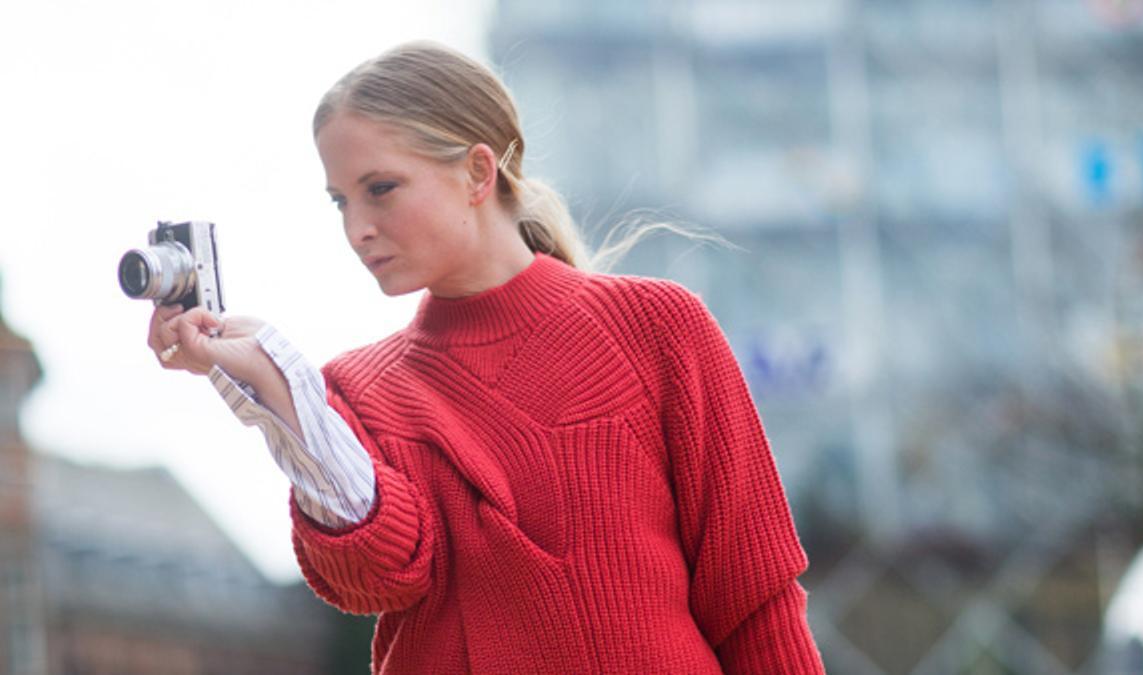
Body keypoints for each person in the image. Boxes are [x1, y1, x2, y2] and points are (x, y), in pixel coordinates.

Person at [146, 41, 825, 674]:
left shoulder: (655, 328)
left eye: (380, 188)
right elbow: (377, 574)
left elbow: (755, 600)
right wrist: (280, 395)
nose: (357, 229)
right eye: (340, 201)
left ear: (477, 171)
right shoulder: (356, 391)